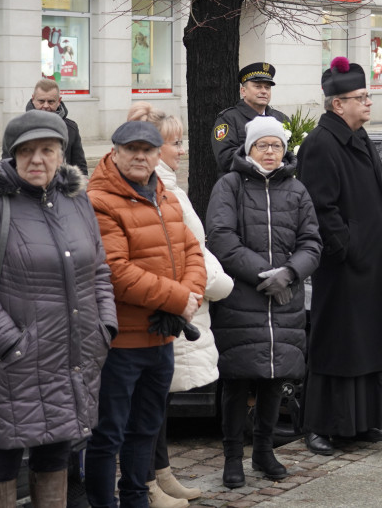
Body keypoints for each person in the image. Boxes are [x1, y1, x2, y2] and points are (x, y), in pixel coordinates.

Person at [0, 110, 117, 507]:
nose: (37, 159)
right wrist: (11, 343)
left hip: (72, 356)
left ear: (62, 153)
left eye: (47, 149)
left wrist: (105, 326)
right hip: (18, 360)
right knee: (2, 455)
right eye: (27, 151)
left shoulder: (76, 200)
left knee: (56, 450)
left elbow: (99, 270)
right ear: (12, 155)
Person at [85, 121, 206, 508]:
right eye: (131, 148)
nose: (140, 156)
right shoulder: (99, 200)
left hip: (162, 336)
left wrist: (191, 296)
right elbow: (115, 272)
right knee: (109, 434)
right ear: (115, 151)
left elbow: (193, 252)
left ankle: (137, 499)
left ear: (158, 154)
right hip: (121, 342)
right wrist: (178, 299)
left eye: (148, 149)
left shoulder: (164, 195)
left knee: (146, 429)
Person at [296, 57, 382, 455]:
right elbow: (321, 208)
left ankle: (361, 422)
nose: (368, 103)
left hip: (373, 266)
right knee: (338, 346)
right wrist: (350, 248)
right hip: (345, 268)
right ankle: (321, 425)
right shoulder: (320, 144)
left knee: (368, 345)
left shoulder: (360, 137)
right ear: (337, 104)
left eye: (367, 95)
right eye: (360, 97)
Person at [127, 103, 234, 508]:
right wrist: (219, 283)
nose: (181, 150)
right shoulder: (161, 191)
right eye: (175, 143)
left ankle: (160, 473)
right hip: (167, 307)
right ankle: (145, 482)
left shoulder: (169, 188)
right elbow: (187, 250)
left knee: (159, 400)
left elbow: (192, 248)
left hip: (180, 306)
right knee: (149, 404)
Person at [206, 115, 322, 488]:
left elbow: (312, 242)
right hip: (243, 299)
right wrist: (263, 275)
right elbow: (221, 238)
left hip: (284, 298)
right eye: (262, 145)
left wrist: (289, 273)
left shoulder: (297, 190)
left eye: (276, 146)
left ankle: (264, 450)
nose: (270, 152)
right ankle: (232, 457)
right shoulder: (230, 185)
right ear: (249, 148)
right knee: (238, 381)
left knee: (276, 378)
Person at [211, 62, 289, 174]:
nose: (264, 91)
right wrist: (265, 163)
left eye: (267, 87)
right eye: (258, 86)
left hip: (277, 186)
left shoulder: (281, 118)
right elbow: (226, 158)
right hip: (242, 185)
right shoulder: (228, 119)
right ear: (243, 91)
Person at [2, 79, 88, 175]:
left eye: (51, 102)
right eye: (41, 101)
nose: (46, 106)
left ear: (59, 101)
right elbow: (7, 166)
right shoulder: (16, 128)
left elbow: (80, 168)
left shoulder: (71, 128)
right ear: (33, 99)